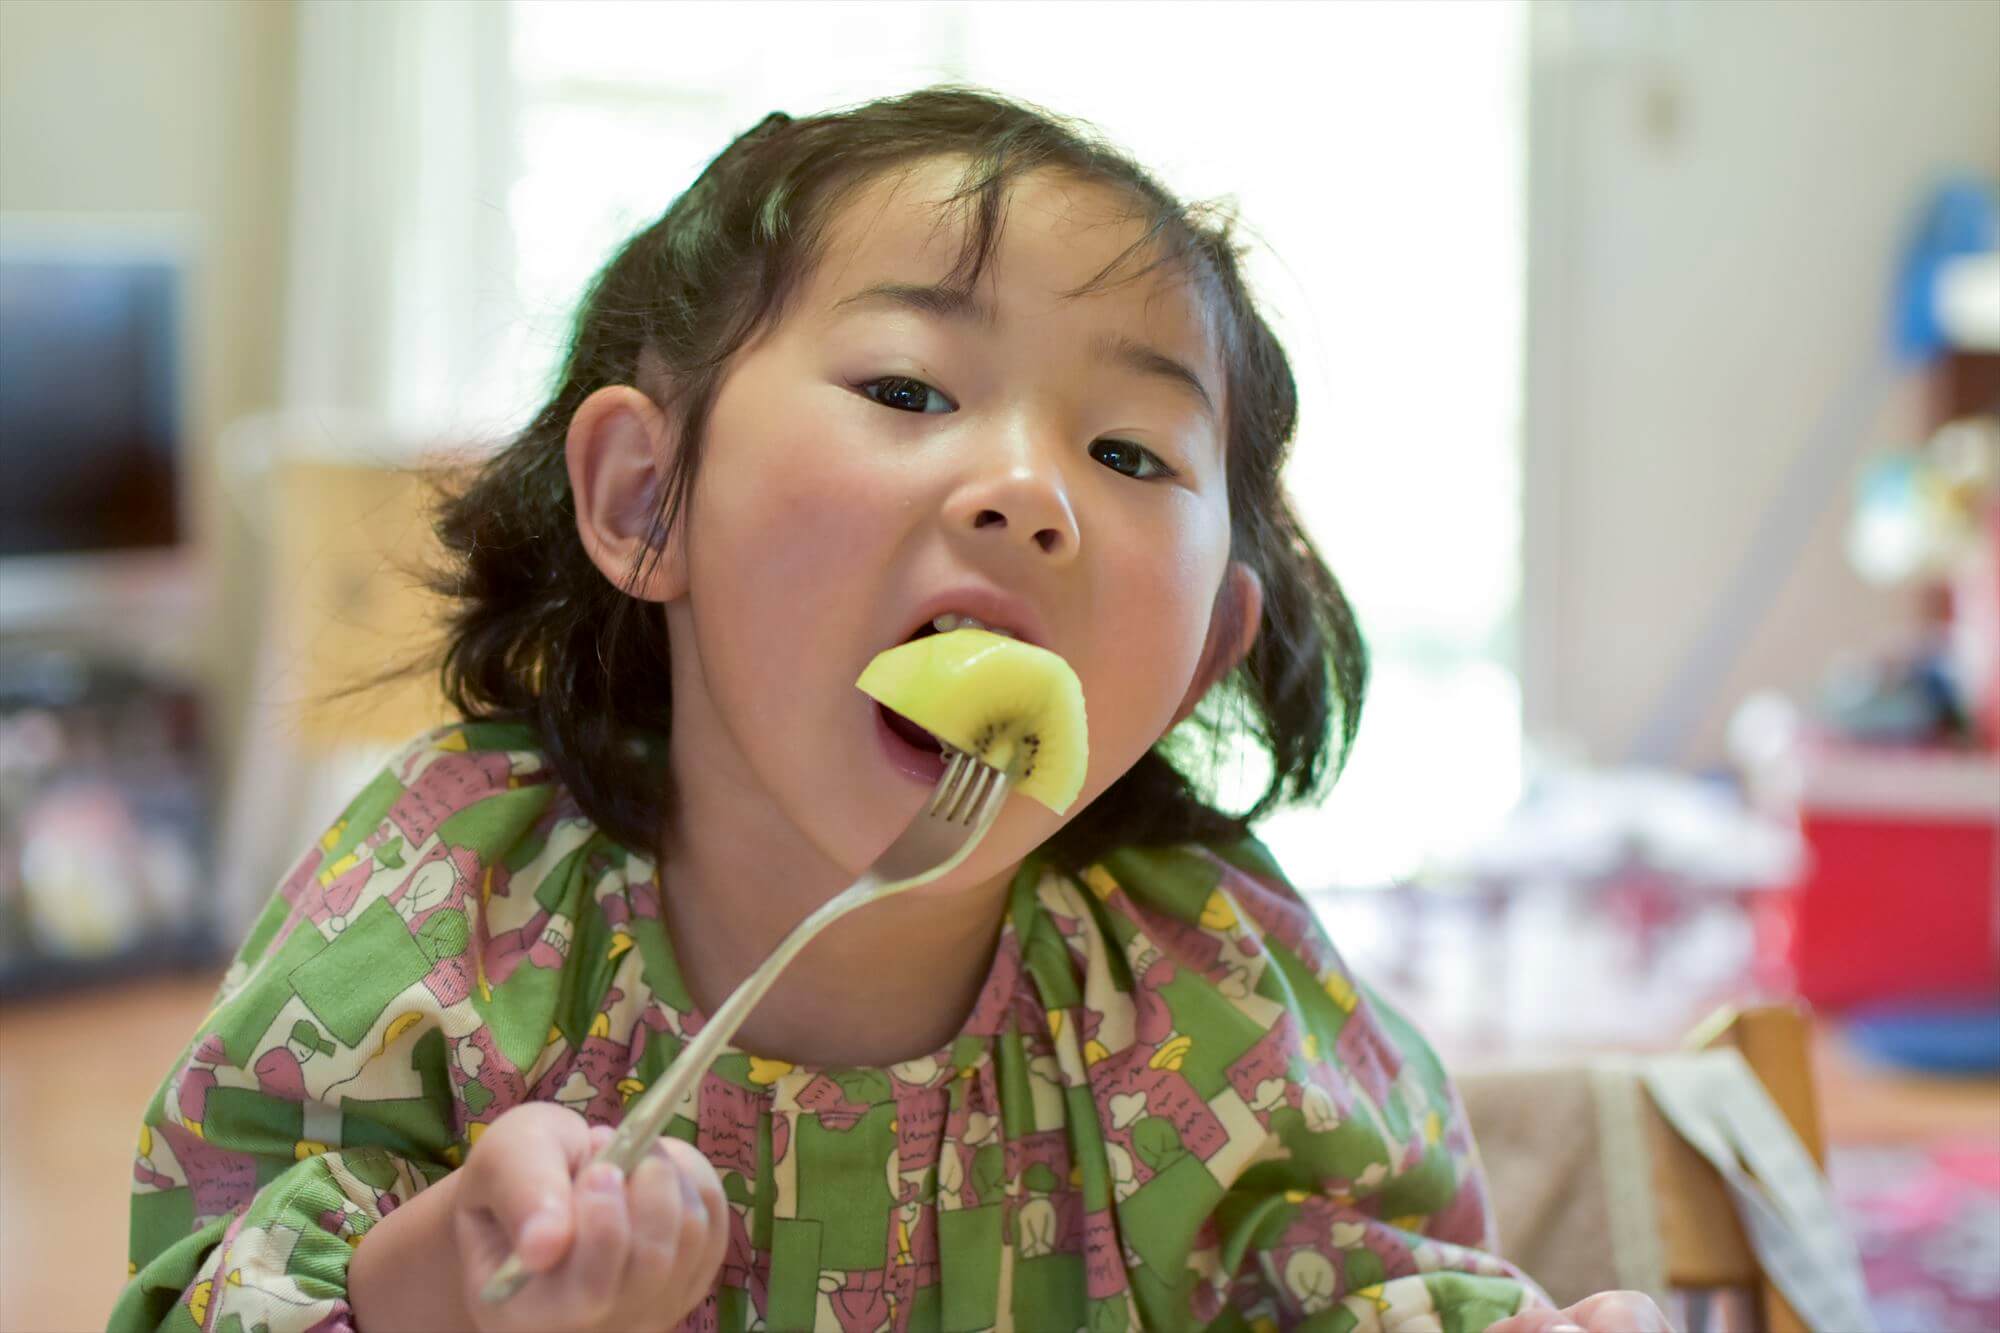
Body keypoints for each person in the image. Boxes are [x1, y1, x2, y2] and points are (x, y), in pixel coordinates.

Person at [112, 88, 1669, 1333]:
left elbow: (1350, 1277)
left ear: (1201, 653)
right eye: (912, 391)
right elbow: (206, 1274)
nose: (1029, 493)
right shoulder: (449, 906)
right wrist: (442, 1284)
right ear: (650, 497)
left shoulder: (1209, 1001)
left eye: (1130, 454)